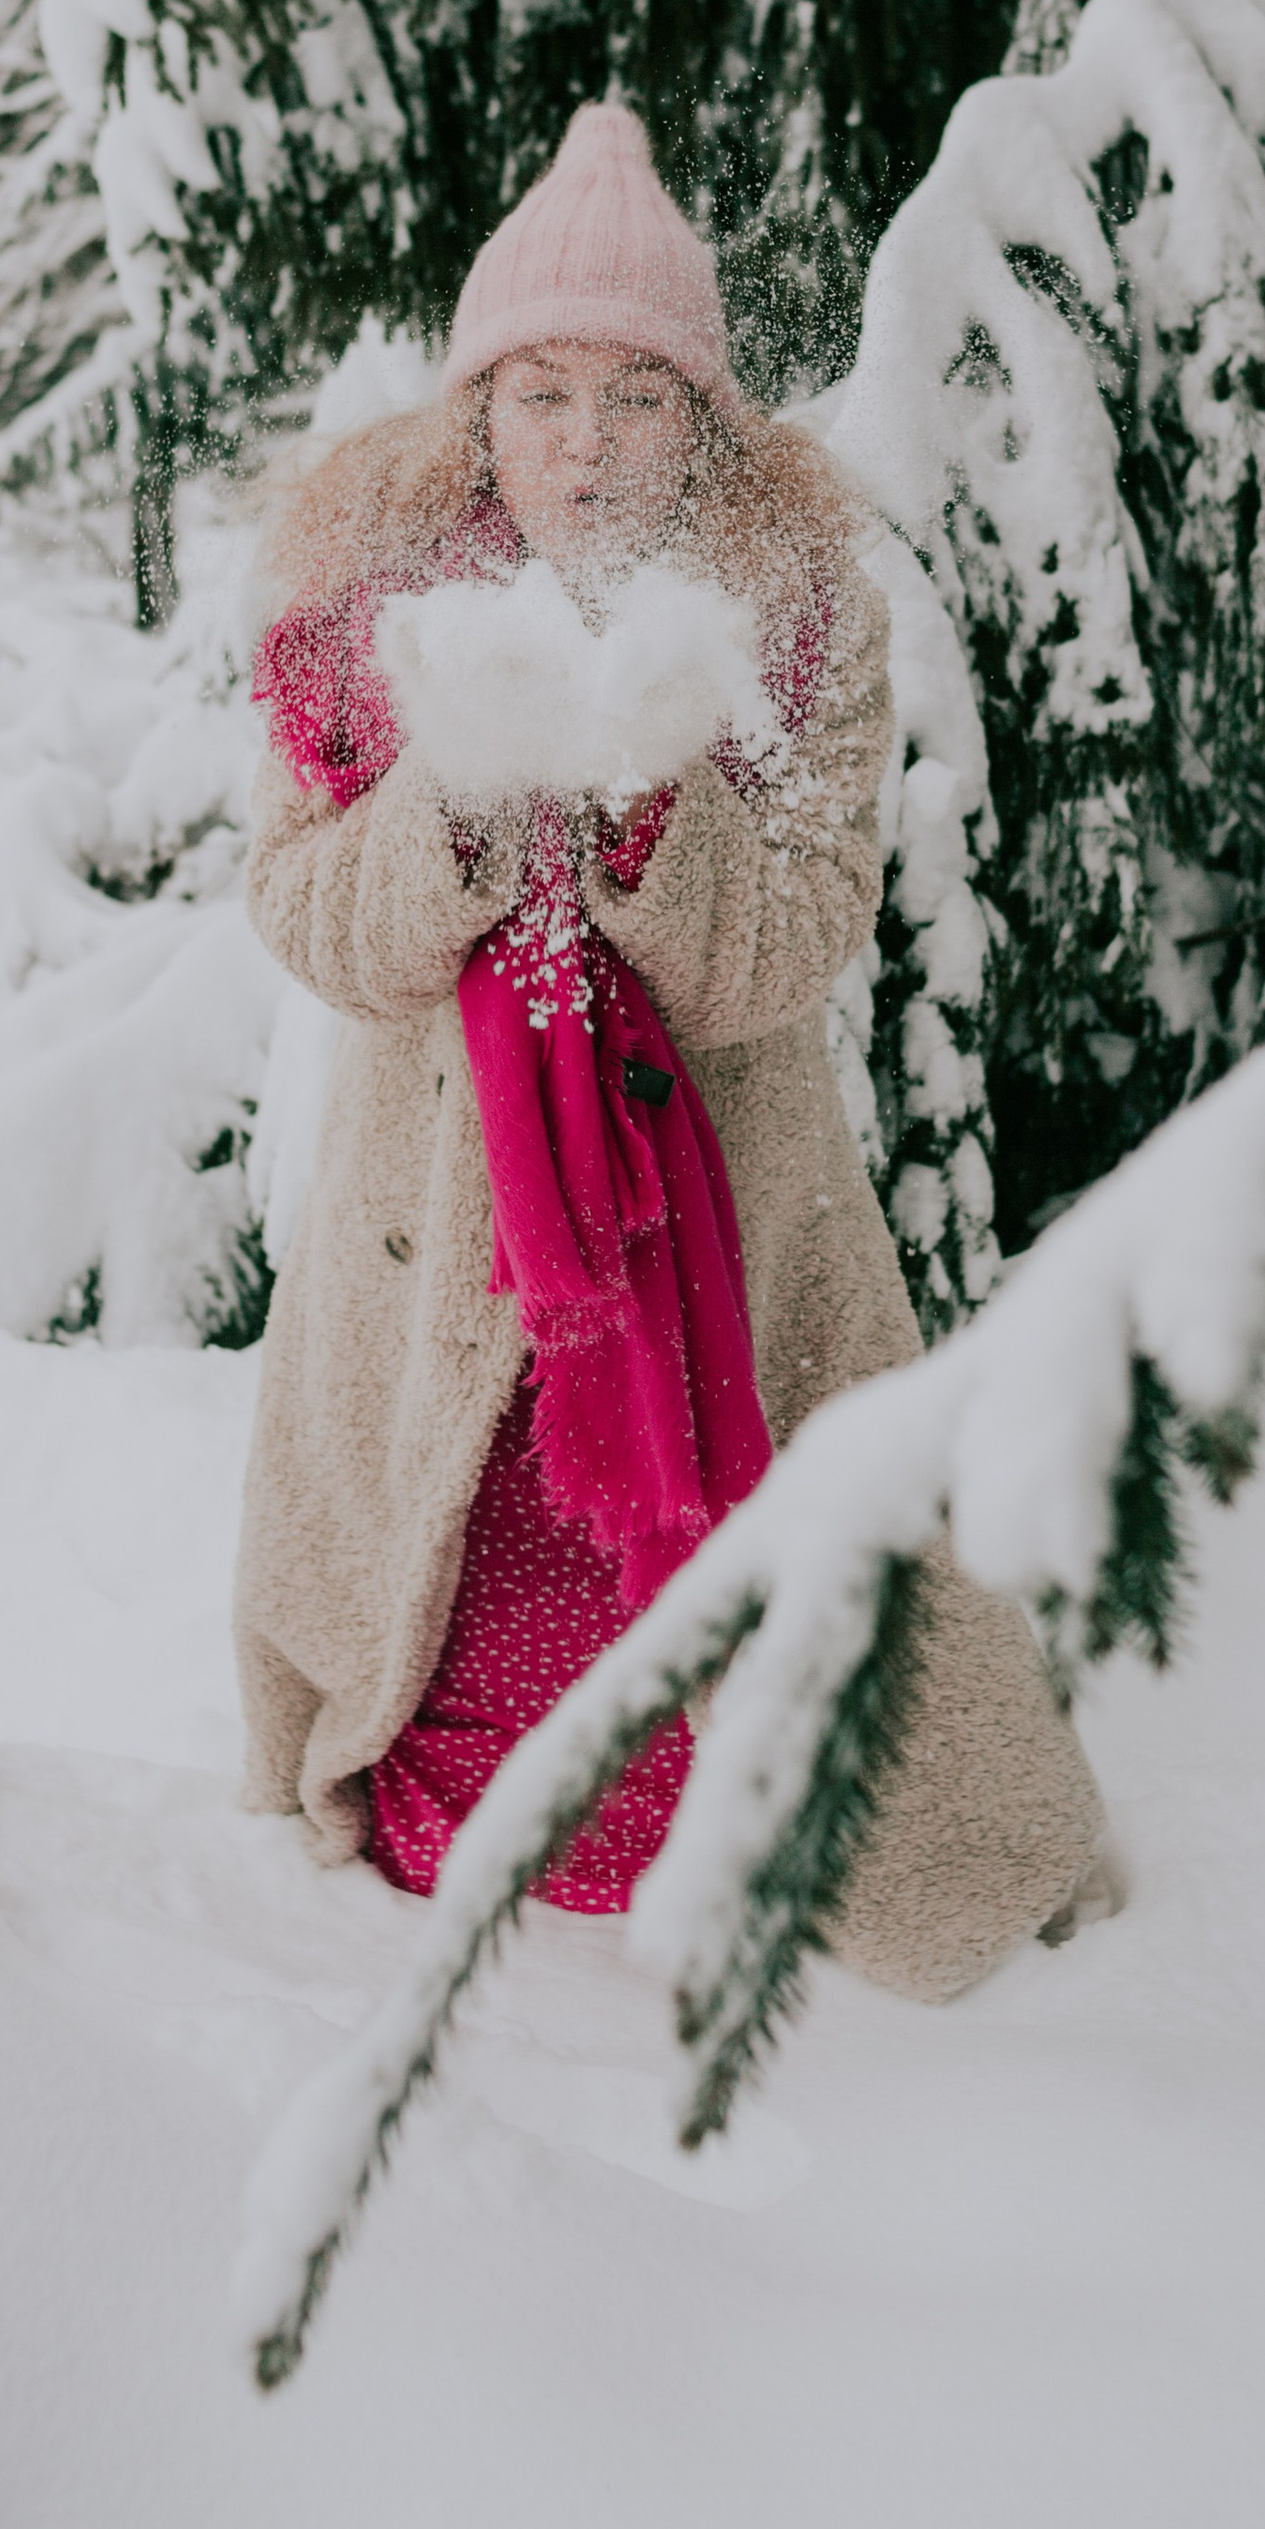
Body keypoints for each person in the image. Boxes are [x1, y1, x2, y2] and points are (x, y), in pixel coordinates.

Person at [235, 100, 1105, 1997]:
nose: (585, 446)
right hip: (434, 1241)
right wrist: (455, 805)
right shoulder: (360, 617)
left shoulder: (800, 617)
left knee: (774, 1697)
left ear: (705, 413)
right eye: (541, 396)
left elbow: (795, 940)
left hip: (723, 1237)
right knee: (444, 1635)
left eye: (633, 398)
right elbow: (309, 922)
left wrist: (649, 797)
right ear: (478, 409)